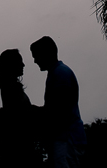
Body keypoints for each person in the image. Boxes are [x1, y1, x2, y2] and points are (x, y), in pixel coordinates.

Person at [30, 36, 87, 167]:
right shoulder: (58, 72)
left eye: (36, 56)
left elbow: (59, 111)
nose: (35, 61)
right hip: (66, 138)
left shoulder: (60, 74)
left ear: (46, 54)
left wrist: (35, 112)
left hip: (67, 139)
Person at [0, 49, 40, 167]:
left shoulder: (9, 88)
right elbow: (20, 116)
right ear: (11, 65)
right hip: (20, 149)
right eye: (20, 62)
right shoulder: (11, 89)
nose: (23, 65)